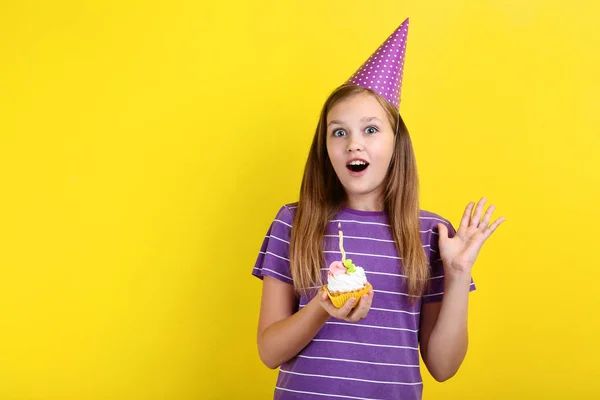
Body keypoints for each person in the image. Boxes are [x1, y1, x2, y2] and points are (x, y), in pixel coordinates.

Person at [252, 18, 505, 400]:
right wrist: (324, 305)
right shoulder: (293, 222)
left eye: (370, 129)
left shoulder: (432, 234)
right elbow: (269, 351)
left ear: (395, 142)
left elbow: (444, 367)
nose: (354, 144)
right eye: (339, 132)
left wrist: (457, 275)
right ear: (325, 149)